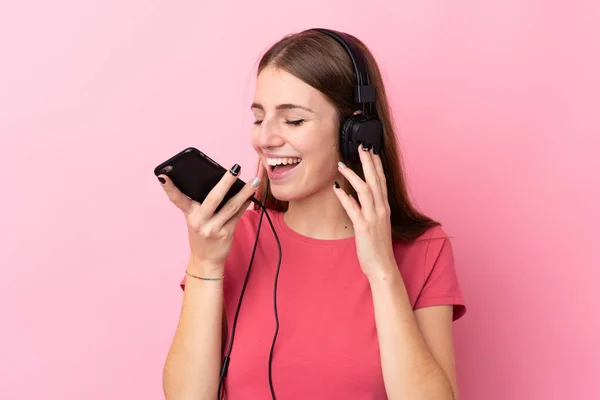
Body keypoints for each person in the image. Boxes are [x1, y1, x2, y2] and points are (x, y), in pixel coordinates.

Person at [159, 28, 466, 400]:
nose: (265, 138)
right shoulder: (231, 237)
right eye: (259, 119)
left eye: (293, 121)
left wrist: (383, 271)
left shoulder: (424, 250)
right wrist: (205, 265)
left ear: (356, 133)